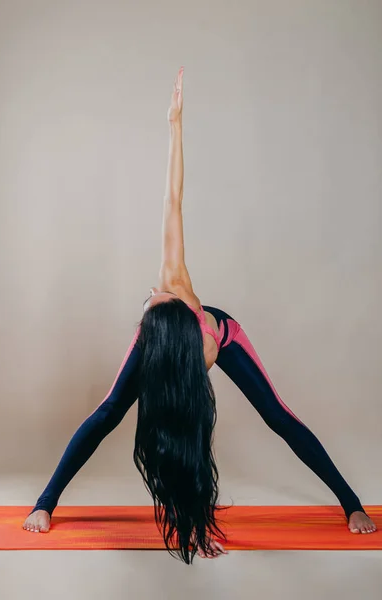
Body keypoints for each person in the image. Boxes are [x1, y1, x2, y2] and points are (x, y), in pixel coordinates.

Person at [23, 67, 377, 563]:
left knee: (277, 414)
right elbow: (146, 430)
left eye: (154, 298)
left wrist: (175, 125)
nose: (152, 291)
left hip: (219, 333)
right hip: (173, 353)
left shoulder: (179, 286)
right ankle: (47, 499)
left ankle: (350, 502)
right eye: (152, 299)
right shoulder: (153, 343)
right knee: (108, 412)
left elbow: (172, 199)